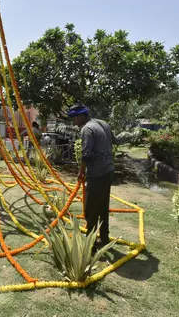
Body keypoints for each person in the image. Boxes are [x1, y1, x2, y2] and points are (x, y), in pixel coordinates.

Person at [67, 103, 115, 253]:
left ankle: (91, 245)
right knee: (103, 207)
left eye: (74, 118)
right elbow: (113, 141)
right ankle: (105, 238)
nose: (73, 122)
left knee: (91, 210)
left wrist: (81, 172)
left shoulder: (87, 129)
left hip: (97, 174)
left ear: (81, 116)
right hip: (108, 171)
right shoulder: (103, 123)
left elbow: (86, 155)